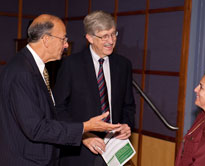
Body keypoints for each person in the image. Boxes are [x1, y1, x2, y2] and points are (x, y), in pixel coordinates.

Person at [0, 14, 121, 166]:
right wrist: (85, 127)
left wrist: (85, 133)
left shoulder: (33, 67)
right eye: (63, 39)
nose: (66, 45)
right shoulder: (21, 72)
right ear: (46, 39)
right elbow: (36, 128)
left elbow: (49, 115)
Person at [53, 10, 136, 166]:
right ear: (90, 38)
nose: (111, 41)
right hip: (80, 153)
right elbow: (58, 109)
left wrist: (127, 125)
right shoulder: (70, 65)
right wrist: (83, 135)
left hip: (114, 150)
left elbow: (128, 106)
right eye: (104, 36)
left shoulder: (124, 65)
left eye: (113, 34)